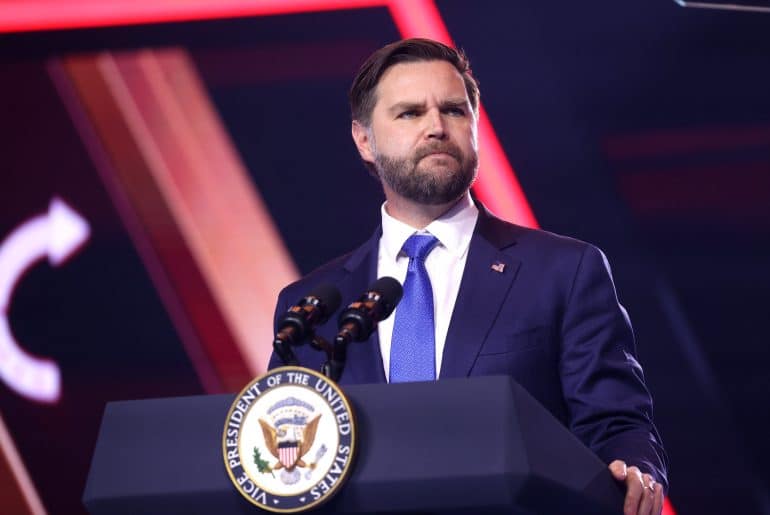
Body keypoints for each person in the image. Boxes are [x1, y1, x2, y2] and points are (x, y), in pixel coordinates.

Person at [269, 38, 668, 515]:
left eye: (454, 111)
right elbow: (282, 456)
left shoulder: (564, 271)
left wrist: (630, 467)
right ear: (363, 139)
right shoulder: (312, 304)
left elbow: (616, 424)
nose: (437, 128)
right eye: (410, 113)